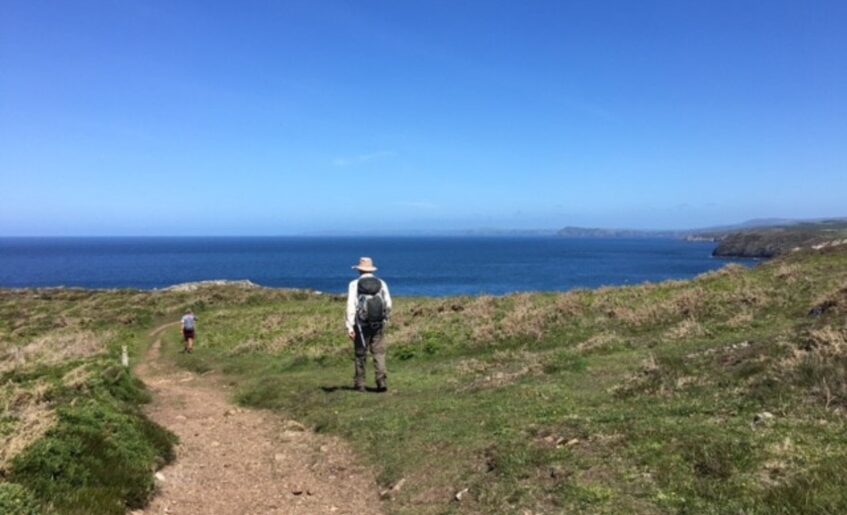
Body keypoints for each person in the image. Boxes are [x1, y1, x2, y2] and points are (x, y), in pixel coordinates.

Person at [346, 257, 392, 392]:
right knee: (379, 352)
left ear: (359, 270)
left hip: (361, 324)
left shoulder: (354, 284)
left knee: (361, 353)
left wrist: (349, 326)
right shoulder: (381, 283)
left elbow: (351, 306)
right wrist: (386, 318)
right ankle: (381, 381)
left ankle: (360, 383)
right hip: (378, 323)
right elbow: (388, 303)